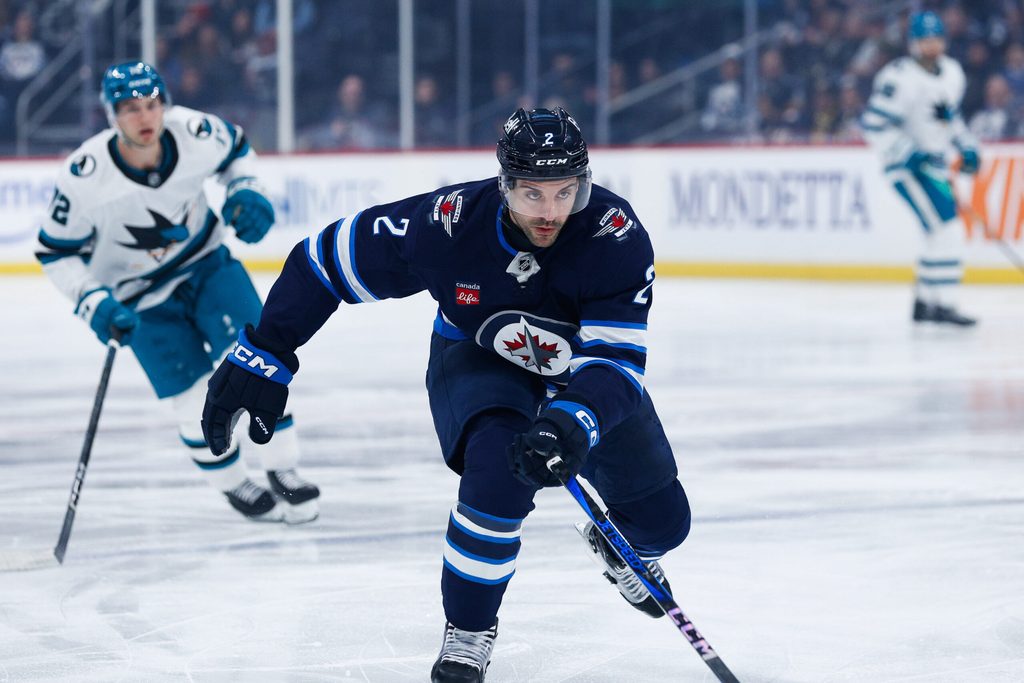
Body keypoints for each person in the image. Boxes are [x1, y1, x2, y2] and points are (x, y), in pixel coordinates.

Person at [201, 107, 692, 682]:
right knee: (496, 476)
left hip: (580, 376)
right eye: (532, 194)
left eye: (565, 193)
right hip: (479, 356)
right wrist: (267, 350)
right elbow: (324, 260)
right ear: (504, 183)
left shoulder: (615, 235)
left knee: (665, 522)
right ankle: (469, 630)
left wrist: (569, 422)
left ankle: (617, 547)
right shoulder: (448, 225)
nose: (551, 212)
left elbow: (616, 362)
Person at [34, 61, 319, 523]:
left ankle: (283, 467)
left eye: (151, 105)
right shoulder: (83, 176)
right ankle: (232, 484)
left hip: (207, 267)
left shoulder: (195, 132)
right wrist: (94, 303)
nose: (144, 118)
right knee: (191, 401)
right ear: (110, 115)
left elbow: (238, 151)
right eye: (129, 109)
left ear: (163, 104)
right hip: (138, 297)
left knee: (260, 364)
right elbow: (54, 253)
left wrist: (247, 190)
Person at [860, 11, 980, 326]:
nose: (932, 47)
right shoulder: (898, 78)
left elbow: (948, 119)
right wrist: (908, 153)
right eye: (926, 41)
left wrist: (967, 146)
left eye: (937, 40)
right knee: (947, 230)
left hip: (935, 167)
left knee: (936, 232)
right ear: (914, 43)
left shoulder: (952, 73)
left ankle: (926, 303)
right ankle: (944, 304)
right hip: (905, 168)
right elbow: (873, 124)